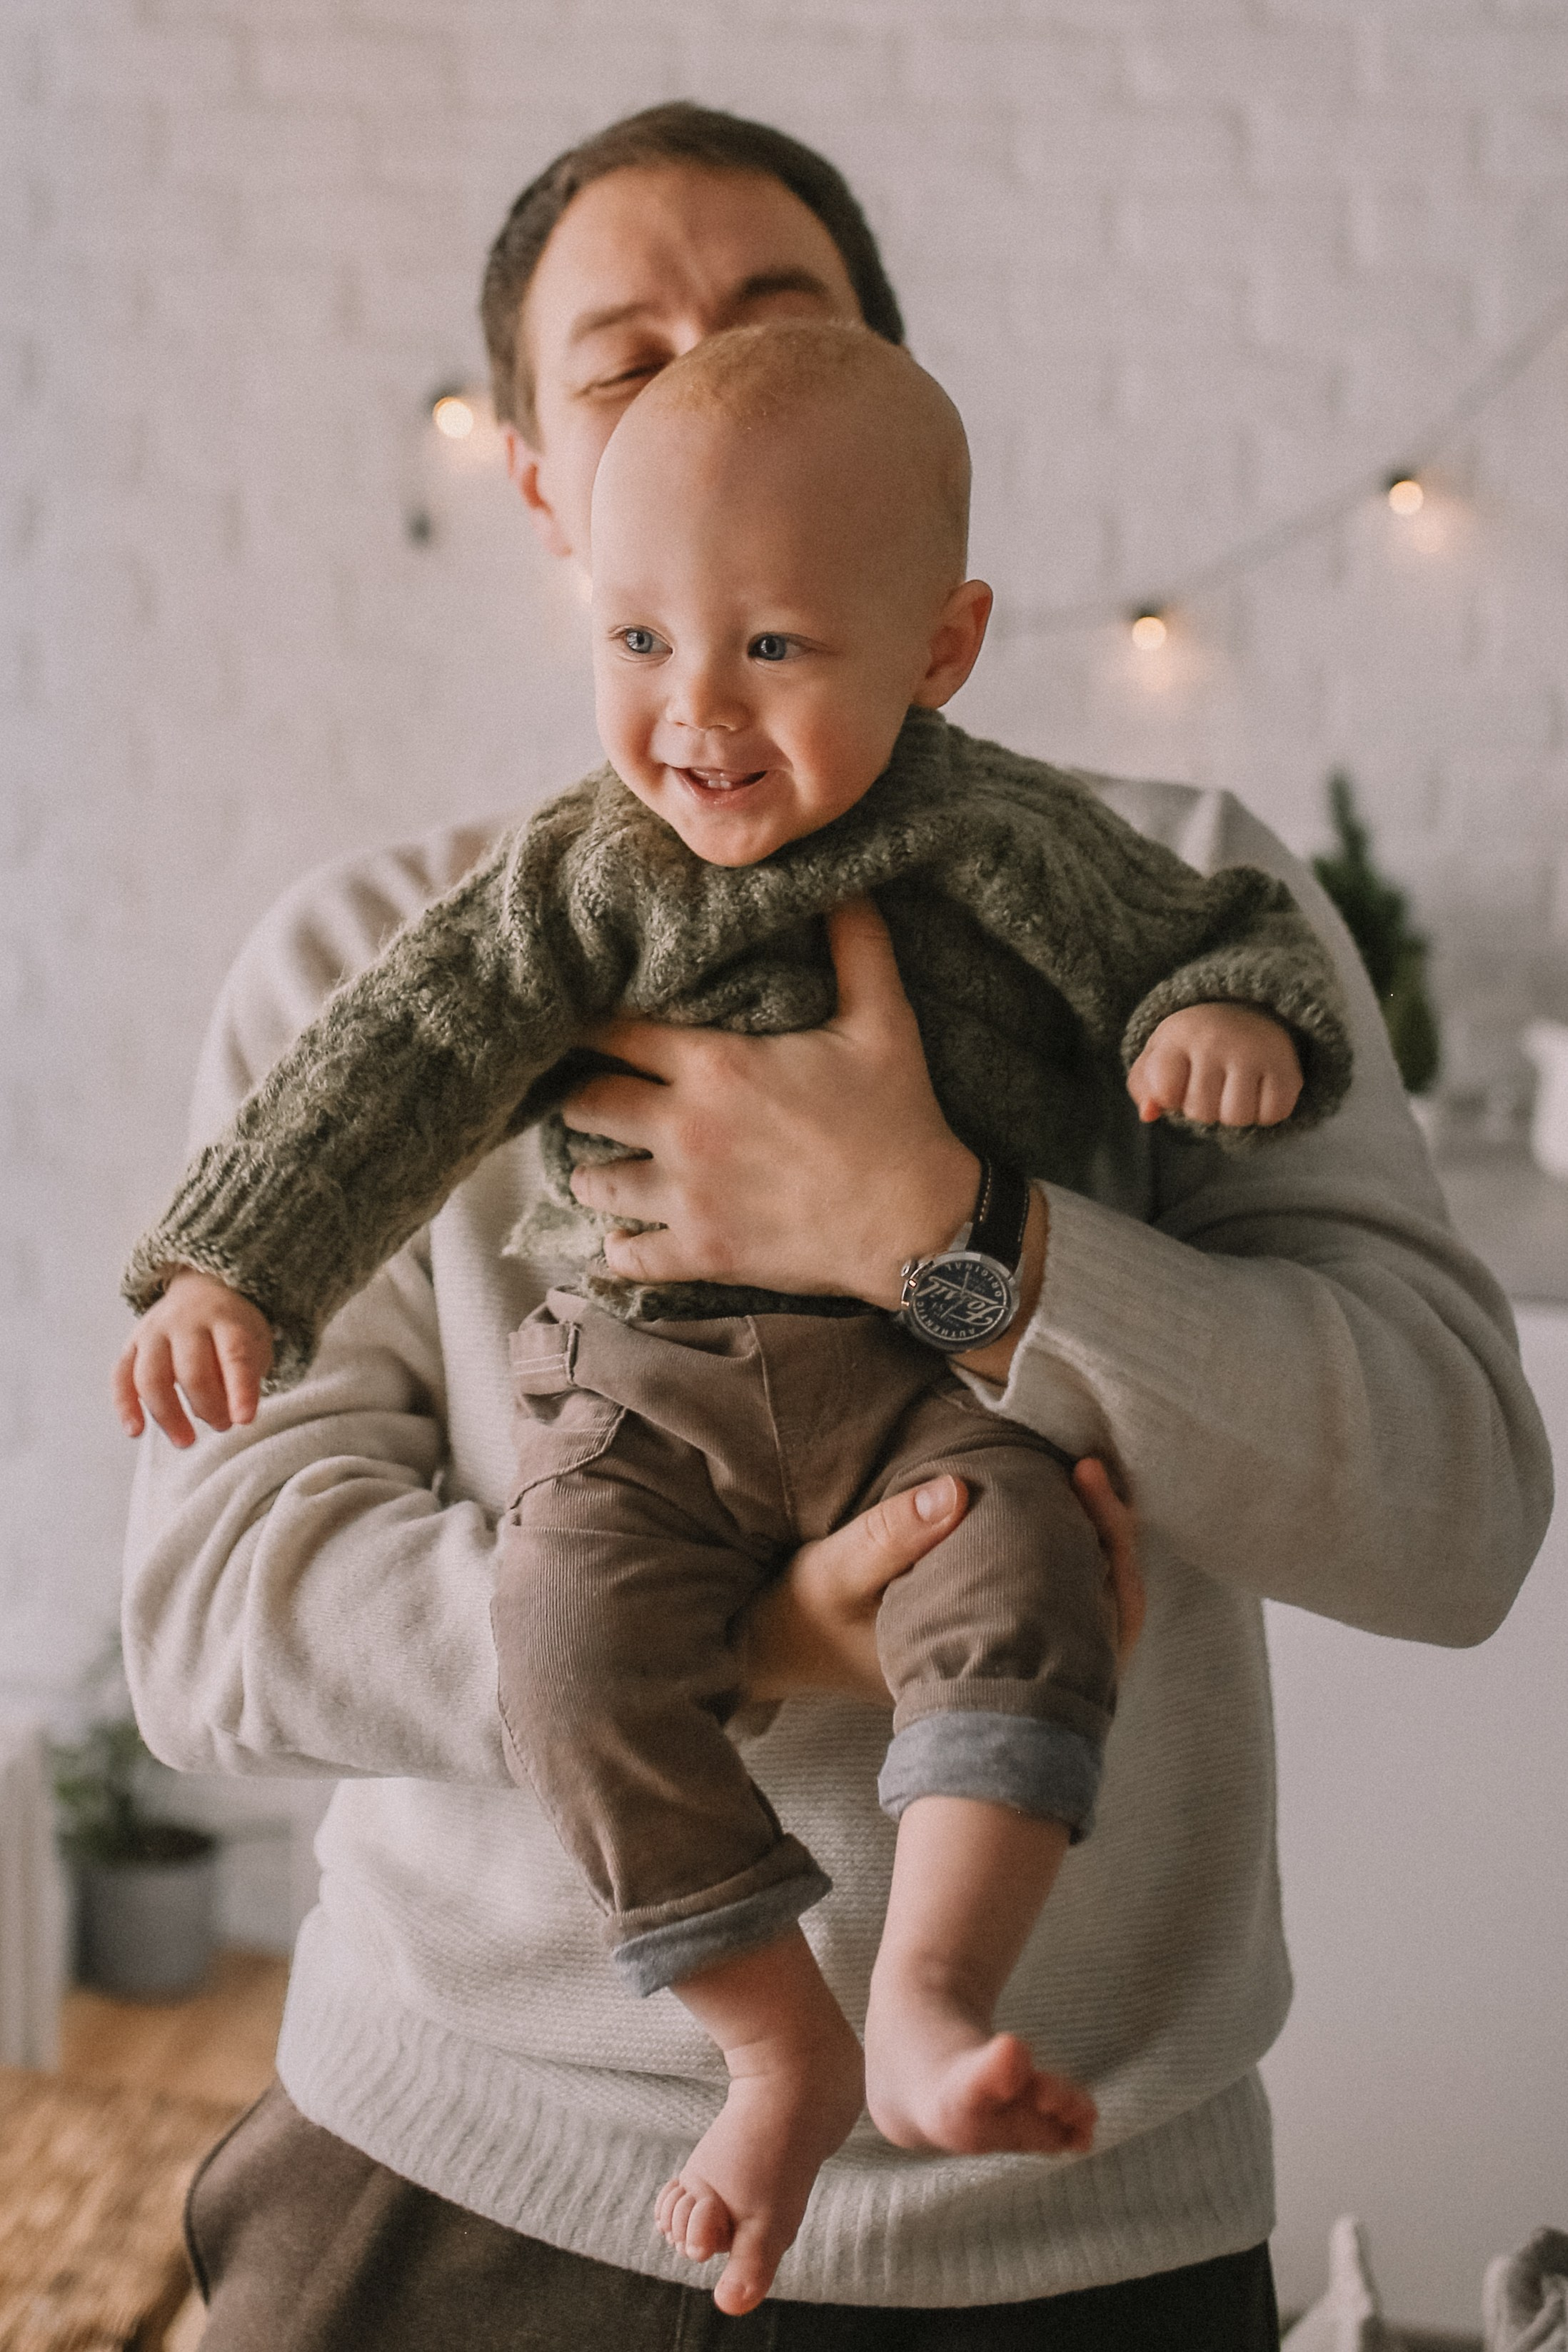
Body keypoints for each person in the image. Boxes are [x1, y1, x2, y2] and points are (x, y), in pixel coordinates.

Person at [120, 104, 1551, 2351]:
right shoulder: (391, 957)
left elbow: (1456, 1512)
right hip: (461, 2160)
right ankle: (778, 2023)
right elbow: (213, 1614)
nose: (700, 382)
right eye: (621, 360)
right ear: (539, 481)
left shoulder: (1167, 892)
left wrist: (948, 1231)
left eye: (773, 329)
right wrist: (763, 1638)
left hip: (1071, 2218)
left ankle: (916, 2000)